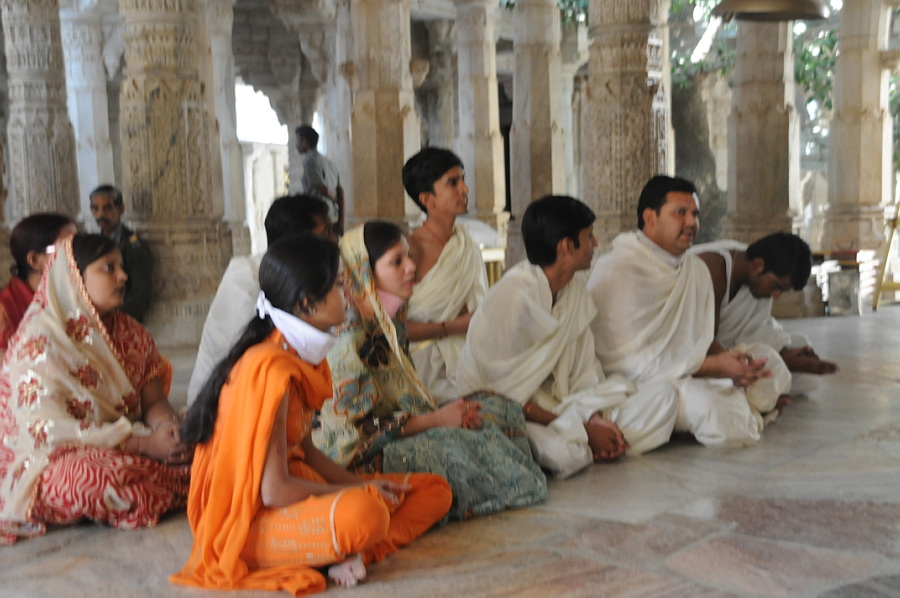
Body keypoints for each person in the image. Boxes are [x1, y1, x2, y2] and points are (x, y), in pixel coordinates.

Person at [172, 234, 451, 594]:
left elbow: (306, 451)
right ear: (307, 303)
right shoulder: (270, 369)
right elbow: (273, 491)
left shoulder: (297, 356)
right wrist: (354, 492)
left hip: (292, 489)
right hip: (245, 524)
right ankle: (349, 546)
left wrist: (361, 484)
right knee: (366, 514)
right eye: (338, 284)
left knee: (433, 489)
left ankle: (354, 553)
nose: (348, 292)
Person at [316, 222, 547, 520]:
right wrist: (436, 420)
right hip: (359, 459)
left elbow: (404, 399)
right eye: (397, 261)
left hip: (401, 427)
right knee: (454, 444)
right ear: (365, 271)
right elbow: (354, 428)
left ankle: (503, 482)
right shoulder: (348, 335)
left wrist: (450, 414)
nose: (411, 267)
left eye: (409, 256)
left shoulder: (388, 324)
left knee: (500, 408)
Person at [457, 196, 677, 479]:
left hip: (562, 406)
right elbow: (500, 398)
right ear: (566, 247)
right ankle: (592, 443)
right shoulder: (514, 298)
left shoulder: (574, 292)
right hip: (510, 413)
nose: (595, 244)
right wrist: (582, 429)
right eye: (588, 237)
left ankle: (600, 440)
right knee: (568, 455)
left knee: (663, 398)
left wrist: (592, 417)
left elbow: (584, 372)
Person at [0, 234, 189, 545]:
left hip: (131, 446)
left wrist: (167, 430)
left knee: (205, 429)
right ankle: (181, 482)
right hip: (52, 461)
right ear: (74, 277)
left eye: (121, 266)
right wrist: (144, 445)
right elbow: (46, 432)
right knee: (90, 478)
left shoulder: (130, 332)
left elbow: (152, 398)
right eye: (109, 268)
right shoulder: (39, 341)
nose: (123, 276)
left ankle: (164, 479)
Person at [588, 176, 792, 450]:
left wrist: (730, 361)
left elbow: (701, 339)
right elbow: (632, 364)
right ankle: (726, 413)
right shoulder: (619, 270)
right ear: (650, 218)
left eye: (695, 214)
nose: (691, 223)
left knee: (772, 365)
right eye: (680, 213)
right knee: (720, 413)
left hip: (691, 371)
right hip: (645, 386)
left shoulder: (695, 270)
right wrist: (714, 367)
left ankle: (727, 409)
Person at [187, 195, 333, 405]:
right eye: (326, 233)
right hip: (224, 407)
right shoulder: (246, 284)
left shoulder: (293, 278)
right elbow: (248, 378)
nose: (335, 240)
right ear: (296, 242)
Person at [692, 232, 837, 393]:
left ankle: (759, 393)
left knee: (801, 352)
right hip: (691, 355)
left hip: (724, 347)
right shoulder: (712, 269)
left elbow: (754, 329)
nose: (776, 296)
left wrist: (784, 353)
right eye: (776, 286)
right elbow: (701, 342)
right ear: (757, 266)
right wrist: (751, 364)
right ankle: (756, 395)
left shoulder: (756, 277)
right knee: (762, 376)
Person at [403, 147, 487, 403]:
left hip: (471, 355)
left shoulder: (466, 245)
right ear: (427, 199)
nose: (465, 189)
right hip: (422, 367)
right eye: (453, 182)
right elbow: (391, 329)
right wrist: (451, 328)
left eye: (463, 179)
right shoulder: (409, 250)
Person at [0, 213, 76, 356]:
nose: (77, 255)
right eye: (67, 248)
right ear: (35, 260)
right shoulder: (5, 309)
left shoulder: (75, 295)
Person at [89, 185, 153, 322]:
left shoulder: (133, 244)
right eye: (95, 209)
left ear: (121, 209)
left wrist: (111, 317)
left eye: (107, 208)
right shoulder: (94, 244)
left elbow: (141, 294)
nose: (100, 214)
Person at [296, 125, 344, 235]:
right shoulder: (329, 162)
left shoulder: (309, 160)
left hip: (319, 216)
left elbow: (322, 187)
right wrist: (341, 219)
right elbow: (340, 191)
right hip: (333, 214)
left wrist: (334, 198)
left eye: (298, 140)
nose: (296, 144)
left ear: (305, 142)